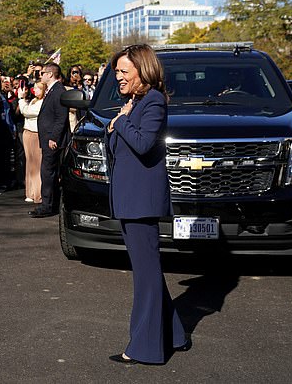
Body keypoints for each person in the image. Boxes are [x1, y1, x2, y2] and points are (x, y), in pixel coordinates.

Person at [105, 44, 189, 365]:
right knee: (148, 272)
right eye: (117, 72)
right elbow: (118, 143)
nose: (119, 77)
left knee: (146, 276)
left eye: (124, 71)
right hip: (129, 199)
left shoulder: (153, 100)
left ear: (143, 71)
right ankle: (175, 335)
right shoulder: (133, 102)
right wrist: (115, 123)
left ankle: (144, 348)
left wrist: (121, 122)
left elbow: (142, 143)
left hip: (142, 201)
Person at [29, 63, 69, 218]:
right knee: (49, 172)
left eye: (42, 73)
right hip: (48, 138)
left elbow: (61, 118)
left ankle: (47, 205)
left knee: (48, 172)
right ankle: (50, 204)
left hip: (53, 140)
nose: (41, 75)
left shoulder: (58, 91)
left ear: (50, 74)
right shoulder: (52, 90)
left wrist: (54, 137)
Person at [19, 81, 44, 203]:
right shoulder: (34, 100)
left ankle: (38, 193)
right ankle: (30, 192)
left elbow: (27, 112)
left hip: (36, 133)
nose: (35, 90)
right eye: (34, 88)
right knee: (29, 163)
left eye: (38, 88)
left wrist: (21, 99)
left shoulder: (42, 102)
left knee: (37, 164)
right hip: (28, 131)